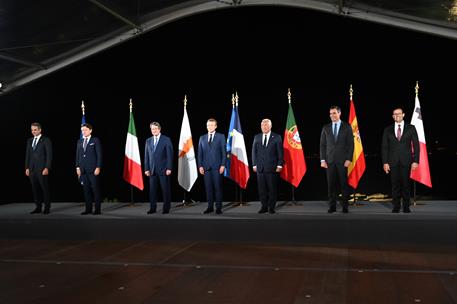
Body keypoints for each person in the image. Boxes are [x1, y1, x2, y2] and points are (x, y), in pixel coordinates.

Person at [381, 107, 419, 213]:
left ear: (403, 115)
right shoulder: (387, 129)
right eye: (394, 114)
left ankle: (406, 206)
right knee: (395, 185)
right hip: (392, 162)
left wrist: (416, 160)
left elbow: (416, 146)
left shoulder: (411, 128)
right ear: (393, 116)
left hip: (406, 161)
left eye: (399, 114)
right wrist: (385, 162)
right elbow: (384, 147)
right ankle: (396, 206)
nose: (397, 115)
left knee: (406, 185)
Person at [319, 106, 354, 213]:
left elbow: (351, 144)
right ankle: (332, 206)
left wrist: (349, 159)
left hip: (343, 161)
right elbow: (322, 145)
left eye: (334, 113)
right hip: (329, 162)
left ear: (339, 113)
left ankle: (345, 206)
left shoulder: (347, 127)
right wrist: (322, 160)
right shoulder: (326, 127)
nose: (332, 115)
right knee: (331, 185)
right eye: (330, 113)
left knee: (343, 184)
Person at [251, 118, 283, 214]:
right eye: (262, 125)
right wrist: (254, 164)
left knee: (272, 189)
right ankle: (264, 206)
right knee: (262, 189)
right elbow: (254, 152)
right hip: (260, 168)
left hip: (272, 167)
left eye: (266, 125)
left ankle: (271, 207)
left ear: (270, 126)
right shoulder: (257, 137)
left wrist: (280, 165)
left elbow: (280, 153)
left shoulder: (277, 137)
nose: (264, 127)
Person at [197, 118, 226, 214]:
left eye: (212, 125)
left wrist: (223, 165)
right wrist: (200, 166)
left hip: (217, 167)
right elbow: (200, 154)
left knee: (218, 188)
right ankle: (210, 207)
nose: (210, 127)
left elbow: (224, 153)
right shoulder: (202, 138)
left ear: (216, 126)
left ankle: (218, 207)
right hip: (206, 168)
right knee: (208, 188)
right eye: (208, 125)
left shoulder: (221, 137)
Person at [144, 122, 173, 214]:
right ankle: (153, 208)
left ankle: (166, 208)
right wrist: (146, 169)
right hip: (152, 170)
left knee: (165, 190)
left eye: (156, 128)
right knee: (152, 191)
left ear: (159, 129)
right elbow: (146, 156)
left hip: (164, 169)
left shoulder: (166, 139)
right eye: (152, 129)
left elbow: (169, 155)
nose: (154, 130)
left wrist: (169, 168)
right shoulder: (148, 141)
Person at [25, 122, 52, 214]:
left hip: (42, 169)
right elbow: (28, 155)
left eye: (35, 130)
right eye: (32, 130)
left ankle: (47, 208)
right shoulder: (29, 140)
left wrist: (47, 167)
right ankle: (38, 207)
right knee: (35, 189)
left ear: (40, 130)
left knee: (44, 189)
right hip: (32, 169)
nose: (33, 131)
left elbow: (49, 155)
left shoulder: (45, 140)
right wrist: (27, 168)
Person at [75, 123, 102, 215]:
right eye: (82, 130)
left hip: (93, 169)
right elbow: (77, 156)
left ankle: (97, 209)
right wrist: (77, 167)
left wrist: (98, 167)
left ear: (90, 130)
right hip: (83, 170)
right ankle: (88, 209)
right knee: (86, 190)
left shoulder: (95, 140)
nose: (83, 132)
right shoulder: (80, 141)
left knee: (95, 190)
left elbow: (99, 155)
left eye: (85, 130)